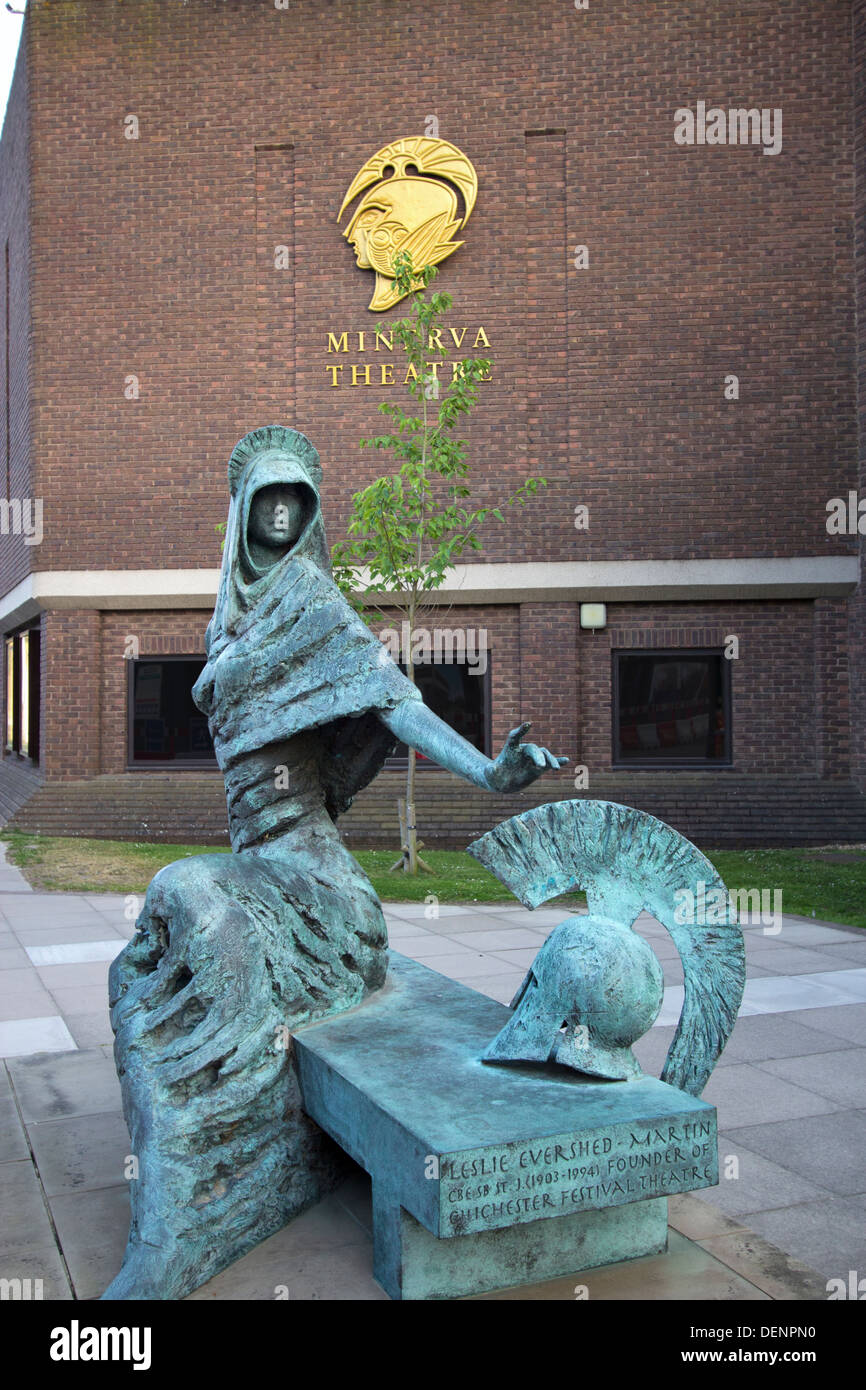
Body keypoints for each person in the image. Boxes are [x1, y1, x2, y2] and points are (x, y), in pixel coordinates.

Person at [102, 425, 566, 1300]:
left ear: (310, 513)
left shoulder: (313, 603)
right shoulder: (234, 618)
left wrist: (488, 772)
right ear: (240, 513)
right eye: (265, 496)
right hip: (257, 871)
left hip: (316, 892)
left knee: (191, 895)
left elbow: (393, 699)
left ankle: (204, 1194)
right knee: (166, 942)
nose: (281, 509)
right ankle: (204, 1178)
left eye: (297, 497)